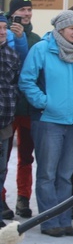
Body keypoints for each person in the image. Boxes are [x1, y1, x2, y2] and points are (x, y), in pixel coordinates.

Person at [19, 10, 73, 237]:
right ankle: (49, 221)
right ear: (61, 29)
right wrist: (44, 103)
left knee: (65, 174)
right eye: (72, 28)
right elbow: (27, 81)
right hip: (48, 122)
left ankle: (64, 219)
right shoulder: (42, 50)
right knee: (47, 174)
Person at [4, 0, 36, 218]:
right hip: (6, 108)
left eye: (29, 10)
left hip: (28, 108)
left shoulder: (35, 38)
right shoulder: (3, 35)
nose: (26, 14)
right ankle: (1, 201)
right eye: (21, 10)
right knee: (2, 158)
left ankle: (23, 199)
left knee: (26, 157)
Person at [0, 14, 21, 223]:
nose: (2, 31)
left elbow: (16, 83)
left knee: (1, 169)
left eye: (4, 28)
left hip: (4, 122)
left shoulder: (11, 55)